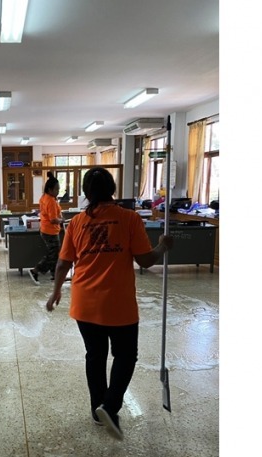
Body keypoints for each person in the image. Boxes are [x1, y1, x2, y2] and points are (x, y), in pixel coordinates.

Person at [45, 167, 173, 441]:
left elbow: (63, 263)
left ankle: (97, 409)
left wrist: (55, 292)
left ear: (86, 192)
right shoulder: (129, 218)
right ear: (112, 189)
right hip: (119, 304)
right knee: (125, 356)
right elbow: (145, 260)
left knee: (95, 355)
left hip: (85, 303)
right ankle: (110, 406)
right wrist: (163, 246)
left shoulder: (77, 223)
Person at [28, 176, 63, 284]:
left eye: (58, 189)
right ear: (50, 189)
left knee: (54, 254)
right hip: (51, 231)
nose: (58, 191)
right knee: (53, 254)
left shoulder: (44, 197)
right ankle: (35, 271)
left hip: (45, 229)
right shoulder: (51, 201)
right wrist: (61, 220)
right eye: (56, 189)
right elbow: (53, 219)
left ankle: (55, 275)